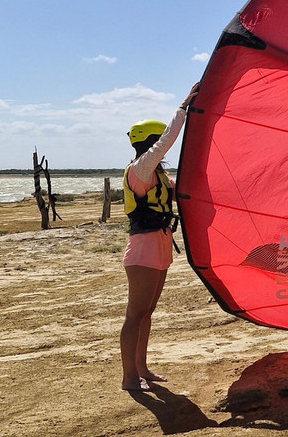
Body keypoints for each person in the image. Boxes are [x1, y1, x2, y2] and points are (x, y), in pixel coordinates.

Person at [120, 83, 199, 391]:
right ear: (151, 142)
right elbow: (166, 143)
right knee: (135, 314)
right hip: (143, 249)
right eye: (158, 141)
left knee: (147, 313)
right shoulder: (140, 169)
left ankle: (142, 369)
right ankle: (129, 377)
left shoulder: (160, 177)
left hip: (161, 245)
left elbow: (183, 192)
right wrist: (182, 110)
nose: (162, 147)